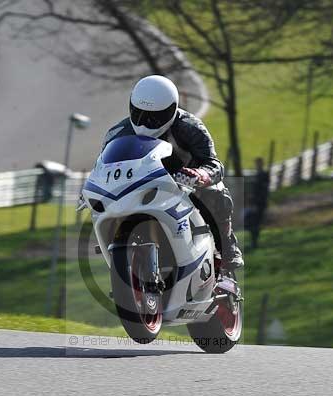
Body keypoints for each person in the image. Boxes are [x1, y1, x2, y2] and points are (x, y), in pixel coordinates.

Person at [101, 75, 244, 270]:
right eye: (139, 114)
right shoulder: (116, 133)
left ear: (172, 110)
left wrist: (201, 175)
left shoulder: (190, 126)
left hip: (184, 187)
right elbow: (102, 167)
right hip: (137, 188)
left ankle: (227, 247)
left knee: (217, 193)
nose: (145, 123)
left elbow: (214, 163)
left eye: (154, 117)